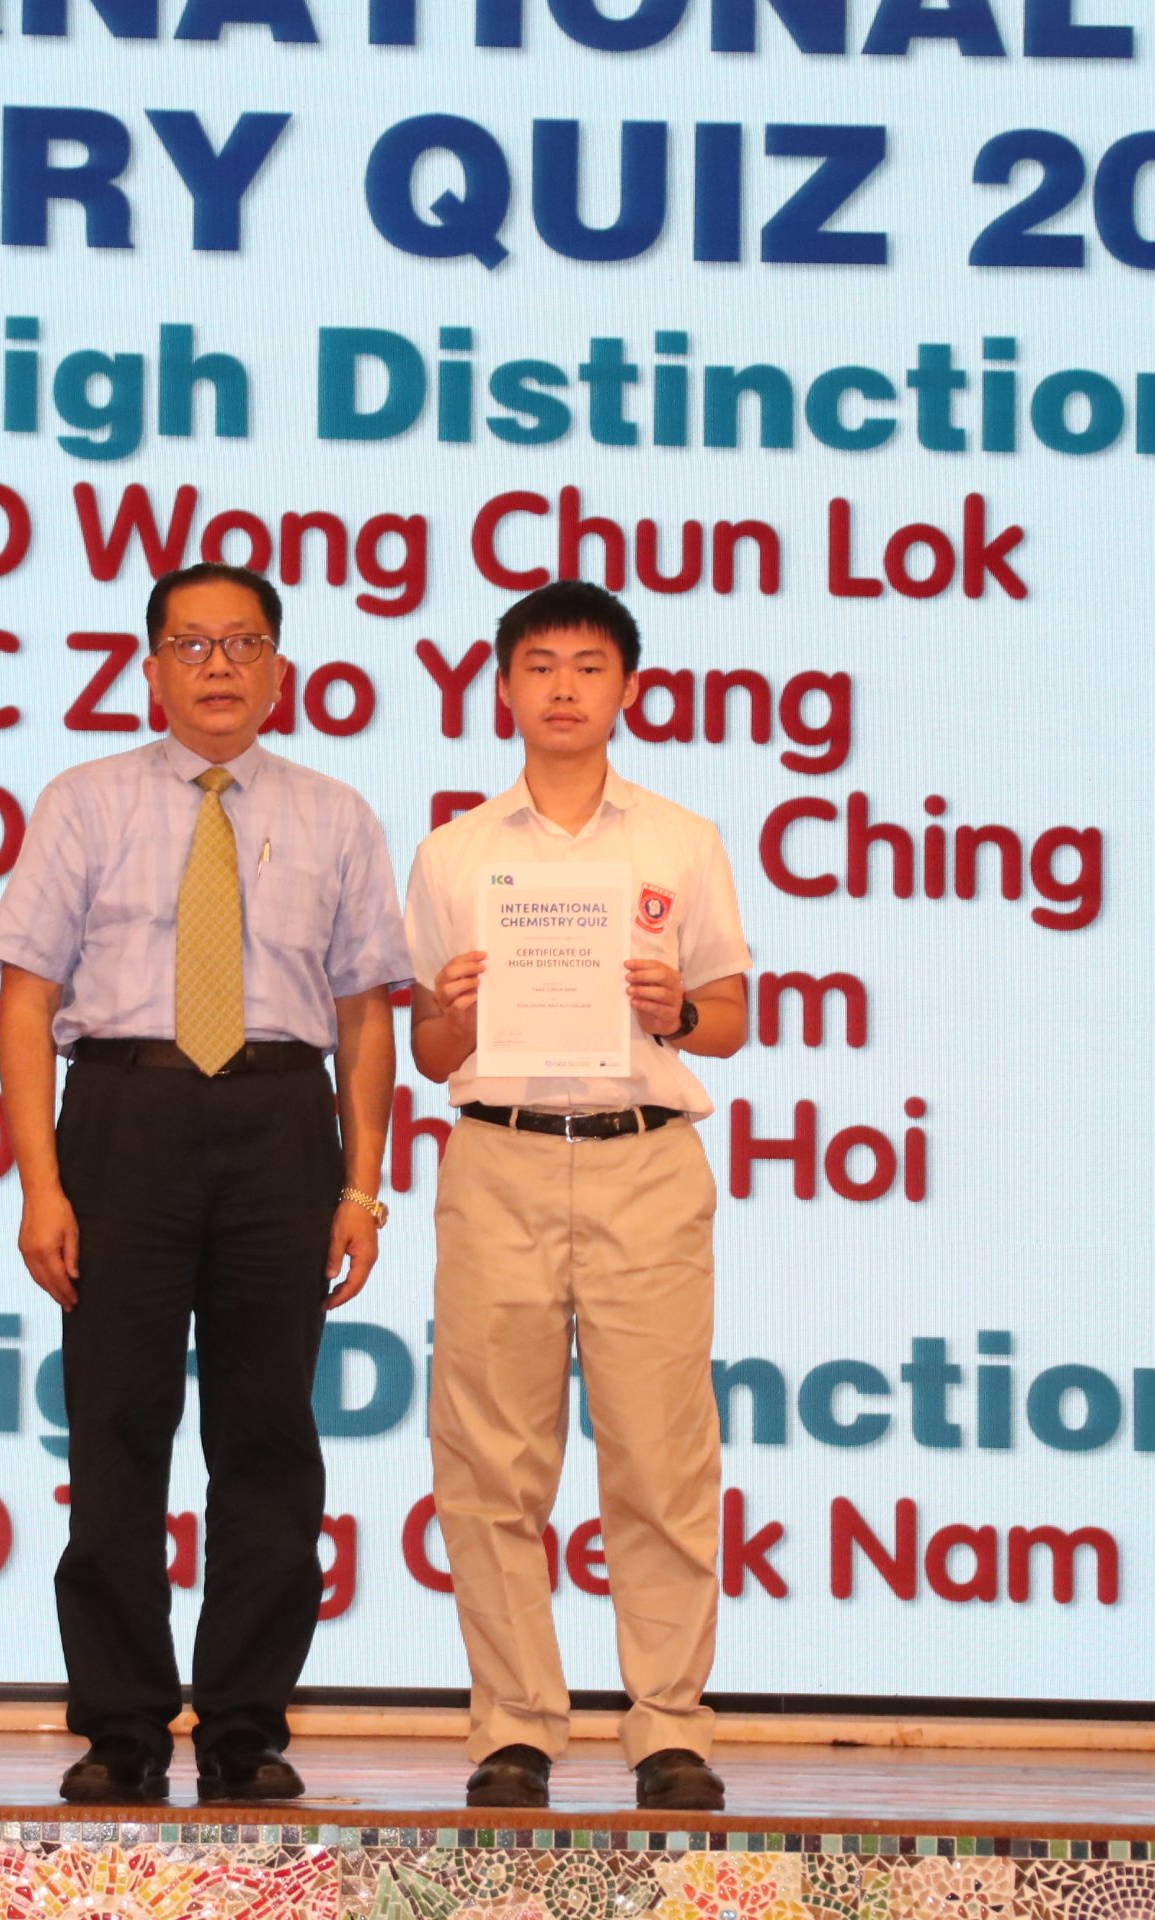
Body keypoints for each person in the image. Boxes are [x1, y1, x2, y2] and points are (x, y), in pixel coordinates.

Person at [0, 561, 406, 1806]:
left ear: (281, 668)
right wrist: (40, 1186)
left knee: (267, 1434)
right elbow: (25, 1001)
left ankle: (243, 1728)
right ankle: (119, 1726)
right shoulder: (84, 800)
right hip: (126, 1115)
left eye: (243, 643)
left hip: (280, 1121)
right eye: (192, 644)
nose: (219, 666)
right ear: (150, 668)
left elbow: (365, 1016)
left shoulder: (335, 813)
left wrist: (361, 1188)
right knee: (115, 1424)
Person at [403, 579, 751, 1813]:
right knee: (490, 1460)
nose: (563, 688)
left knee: (660, 1456)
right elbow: (428, 1053)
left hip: (641, 1158)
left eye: (588, 666)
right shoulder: (453, 852)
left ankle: (669, 1727)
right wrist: (451, 1012)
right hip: (497, 1157)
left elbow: (731, 1016)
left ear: (628, 690)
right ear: (502, 687)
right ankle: (513, 1727)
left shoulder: (681, 841)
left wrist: (677, 1009)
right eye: (539, 666)